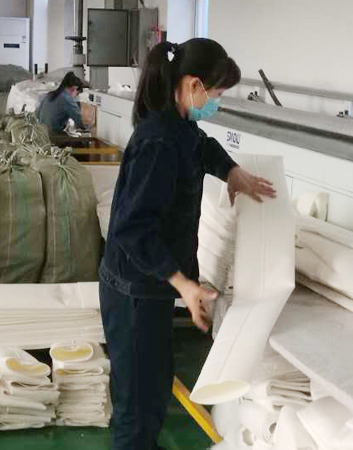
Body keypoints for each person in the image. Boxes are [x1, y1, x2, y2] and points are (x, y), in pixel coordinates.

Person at [99, 38, 277, 450]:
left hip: (151, 288)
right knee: (137, 403)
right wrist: (181, 282)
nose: (216, 103)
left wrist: (231, 171)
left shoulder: (178, 125)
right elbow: (131, 229)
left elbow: (201, 147)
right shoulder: (158, 143)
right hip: (134, 292)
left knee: (155, 387)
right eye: (216, 94)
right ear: (195, 85)